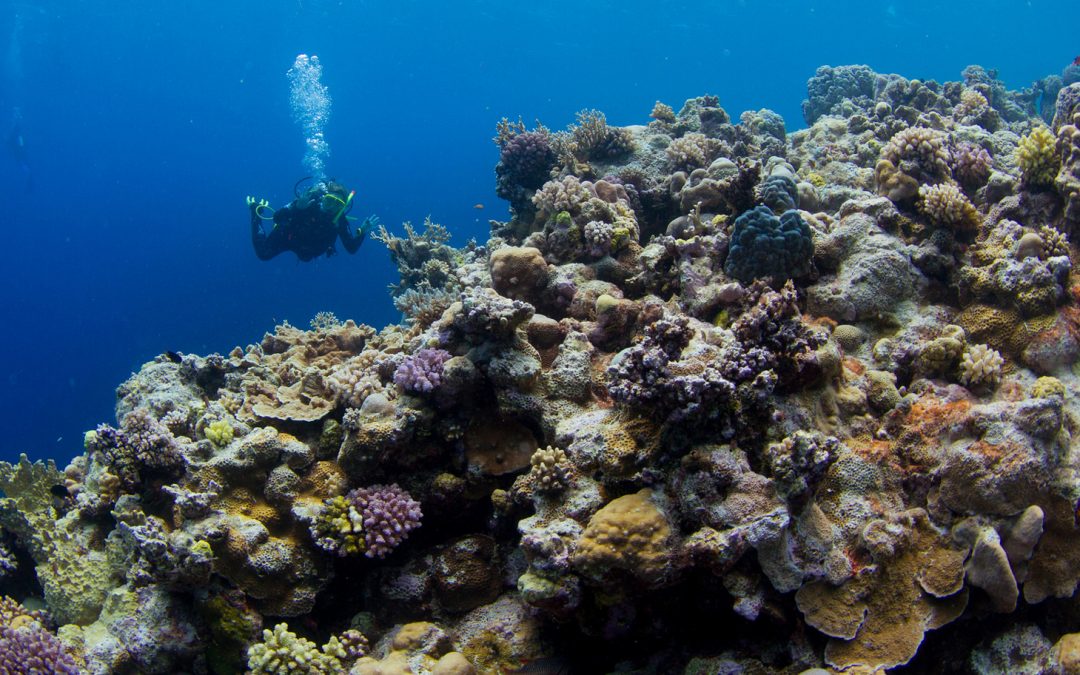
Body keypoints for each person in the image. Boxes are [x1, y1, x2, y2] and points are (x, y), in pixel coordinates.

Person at [248, 178, 378, 261]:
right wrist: (297, 208)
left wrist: (362, 232)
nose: (331, 208)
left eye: (337, 204)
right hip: (289, 237)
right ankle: (255, 213)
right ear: (323, 198)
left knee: (305, 257)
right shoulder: (308, 202)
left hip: (311, 251)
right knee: (263, 254)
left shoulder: (339, 219)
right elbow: (277, 218)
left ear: (342, 207)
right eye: (329, 201)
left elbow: (351, 248)